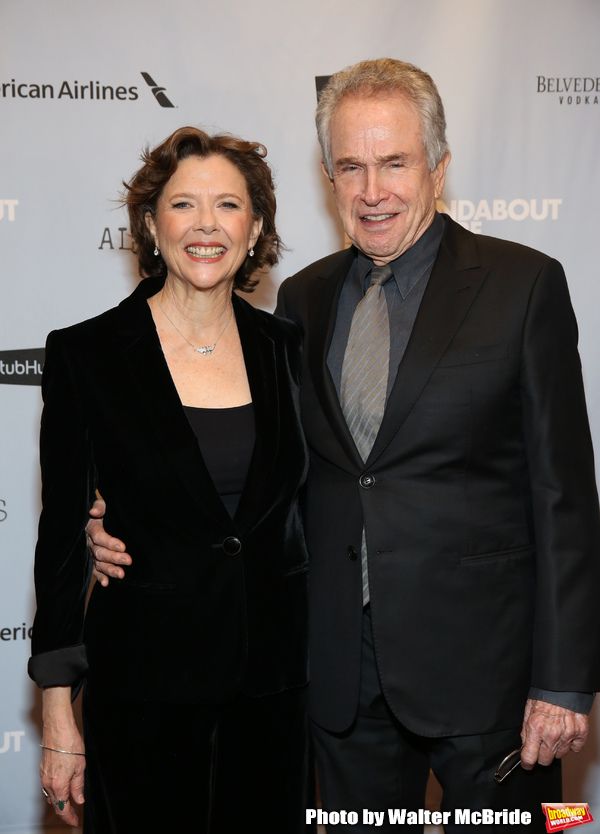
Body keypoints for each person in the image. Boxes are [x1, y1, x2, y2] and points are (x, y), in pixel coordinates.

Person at [89, 61, 600, 831]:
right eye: (350, 168)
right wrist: (123, 520)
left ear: (438, 167)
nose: (372, 191)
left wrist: (563, 683)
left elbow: (566, 497)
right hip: (336, 676)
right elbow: (271, 476)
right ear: (327, 176)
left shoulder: (524, 285)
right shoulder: (306, 298)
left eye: (394, 163)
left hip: (487, 680)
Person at [28, 126, 311, 833]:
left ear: (257, 227)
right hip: (140, 694)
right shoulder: (87, 354)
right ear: (152, 227)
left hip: (273, 694)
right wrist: (59, 711)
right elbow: (61, 536)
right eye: (184, 206)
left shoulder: (288, 351)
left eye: (228, 205)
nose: (206, 226)